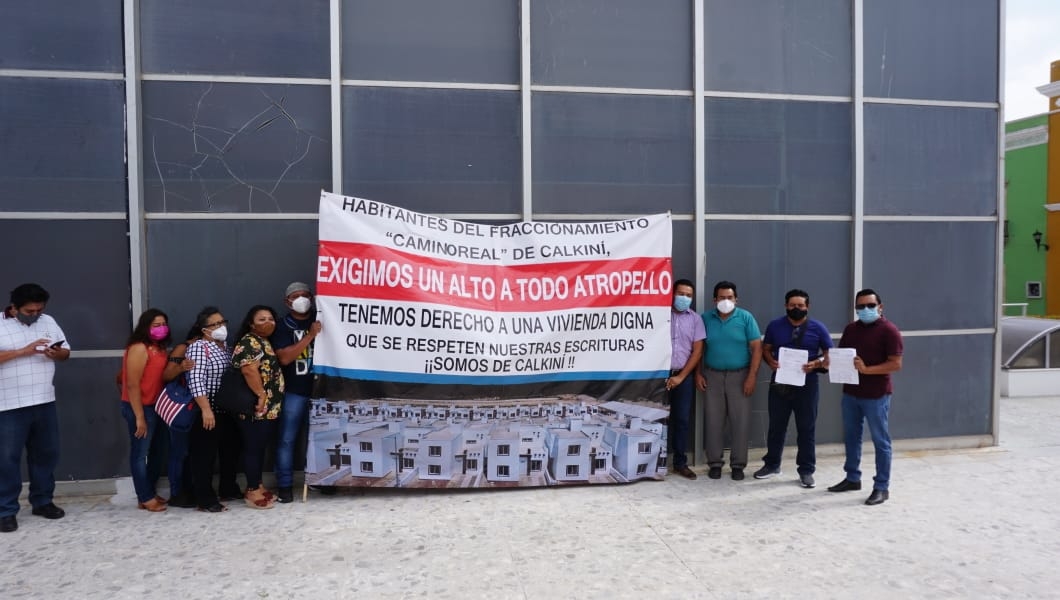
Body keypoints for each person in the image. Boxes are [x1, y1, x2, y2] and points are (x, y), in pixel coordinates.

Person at [0, 283, 70, 533]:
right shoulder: (0, 324)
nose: (35, 315)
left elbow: (66, 354)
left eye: (39, 310)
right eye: (30, 311)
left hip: (43, 400)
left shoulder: (48, 321)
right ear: (14, 307)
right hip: (8, 405)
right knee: (7, 459)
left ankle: (42, 501)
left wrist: (57, 353)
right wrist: (24, 351)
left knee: (46, 454)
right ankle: (6, 510)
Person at [828, 289, 903, 506]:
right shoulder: (851, 329)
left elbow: (896, 364)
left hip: (877, 395)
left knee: (881, 441)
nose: (865, 310)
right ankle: (852, 478)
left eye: (870, 305)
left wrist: (867, 370)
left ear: (880, 306)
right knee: (851, 437)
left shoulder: (889, 330)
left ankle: (881, 487)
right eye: (860, 306)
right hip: (851, 394)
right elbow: (842, 357)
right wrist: (825, 362)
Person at [755, 289, 833, 488]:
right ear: (785, 306)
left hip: (807, 385)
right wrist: (770, 361)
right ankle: (772, 465)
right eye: (792, 305)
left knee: (806, 428)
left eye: (800, 305)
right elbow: (766, 349)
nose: (796, 309)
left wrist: (815, 364)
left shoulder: (818, 328)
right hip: (780, 383)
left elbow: (829, 354)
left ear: (807, 306)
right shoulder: (775, 326)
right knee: (776, 426)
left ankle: (806, 471)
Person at [695, 281, 762, 480]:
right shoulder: (705, 318)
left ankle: (738, 465)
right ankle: (715, 463)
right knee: (713, 421)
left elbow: (757, 348)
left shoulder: (746, 318)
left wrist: (752, 377)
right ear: (714, 300)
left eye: (729, 297)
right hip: (712, 375)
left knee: (740, 422)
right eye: (722, 298)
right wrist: (698, 373)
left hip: (740, 376)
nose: (726, 301)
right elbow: (699, 349)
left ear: (736, 299)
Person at [185, 307, 242, 513]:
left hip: (226, 408)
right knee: (204, 455)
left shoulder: (224, 346)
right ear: (203, 329)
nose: (220, 327)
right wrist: (205, 410)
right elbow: (196, 379)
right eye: (215, 324)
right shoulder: (199, 347)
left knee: (230, 450)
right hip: (207, 409)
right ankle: (205, 499)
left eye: (222, 322)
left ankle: (228, 488)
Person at [270, 282, 322, 503]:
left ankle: (321, 481)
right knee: (287, 440)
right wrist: (310, 336)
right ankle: (284, 486)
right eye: (296, 296)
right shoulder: (282, 326)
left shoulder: (321, 320)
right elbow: (284, 358)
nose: (302, 299)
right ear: (287, 301)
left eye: (305, 295)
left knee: (320, 438)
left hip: (320, 391)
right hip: (294, 391)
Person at [119, 308, 173, 512]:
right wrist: (139, 416)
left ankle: (148, 491)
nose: (161, 328)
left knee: (158, 452)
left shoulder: (158, 348)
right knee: (140, 454)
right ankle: (144, 496)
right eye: (155, 325)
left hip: (157, 406)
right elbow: (132, 384)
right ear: (145, 326)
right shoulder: (139, 348)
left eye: (163, 324)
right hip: (140, 408)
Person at [232, 305, 284, 509]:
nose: (268, 322)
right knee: (253, 448)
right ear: (251, 324)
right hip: (256, 407)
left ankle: (258, 484)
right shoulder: (249, 342)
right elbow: (249, 371)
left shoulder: (263, 341)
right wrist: (261, 396)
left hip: (268, 408)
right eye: (262, 319)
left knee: (260, 446)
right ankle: (252, 489)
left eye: (271, 318)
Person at [666, 278, 706, 480]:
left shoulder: (696, 319)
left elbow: (697, 351)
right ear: (672, 293)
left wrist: (681, 377)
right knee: (656, 419)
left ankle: (680, 463)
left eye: (688, 295)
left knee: (681, 420)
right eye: (681, 294)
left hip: (684, 376)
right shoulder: (661, 314)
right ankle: (653, 464)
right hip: (659, 376)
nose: (684, 298)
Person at [160, 330, 197, 508]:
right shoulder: (184, 348)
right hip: (182, 406)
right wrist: (181, 367)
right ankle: (176, 493)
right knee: (179, 452)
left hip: (198, 407)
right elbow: (167, 375)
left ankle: (190, 489)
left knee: (192, 452)